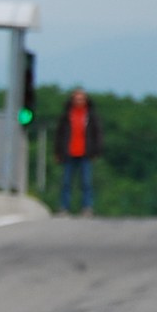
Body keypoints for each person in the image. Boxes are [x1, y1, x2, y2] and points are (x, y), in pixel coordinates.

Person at [54, 88, 103, 216]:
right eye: (76, 99)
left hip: (85, 153)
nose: (78, 101)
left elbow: (97, 134)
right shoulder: (67, 115)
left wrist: (96, 151)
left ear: (86, 100)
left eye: (81, 99)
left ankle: (87, 207)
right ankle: (64, 207)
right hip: (69, 153)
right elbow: (59, 134)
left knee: (86, 183)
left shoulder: (90, 115)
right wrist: (58, 151)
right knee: (66, 183)